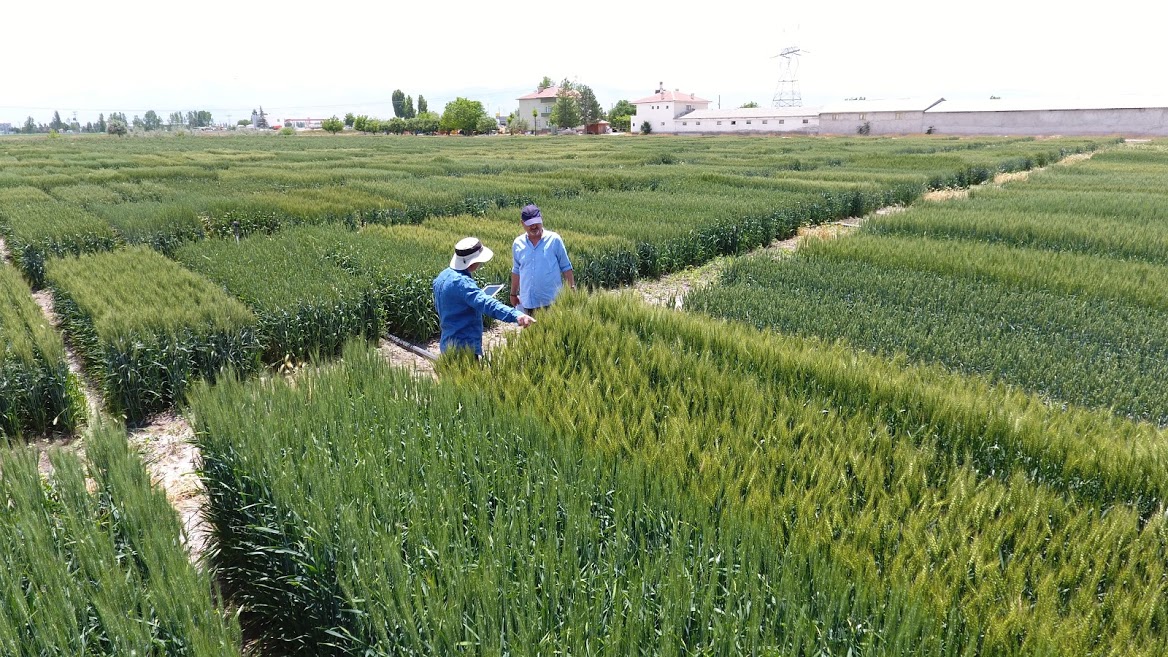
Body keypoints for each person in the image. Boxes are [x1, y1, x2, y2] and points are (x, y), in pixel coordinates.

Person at [433, 237, 535, 356]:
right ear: (473, 262)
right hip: (465, 347)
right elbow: (488, 304)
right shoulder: (463, 283)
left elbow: (452, 303)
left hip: (447, 343)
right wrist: (517, 315)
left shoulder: (442, 276)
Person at [510, 204, 575, 314]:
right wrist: (513, 294)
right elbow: (516, 270)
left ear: (542, 220)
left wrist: (571, 290)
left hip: (552, 302)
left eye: (536, 222)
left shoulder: (554, 240)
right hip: (528, 302)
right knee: (531, 331)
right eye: (530, 224)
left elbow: (566, 267)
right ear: (522, 223)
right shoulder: (517, 243)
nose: (534, 226)